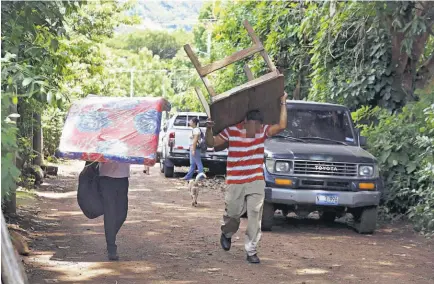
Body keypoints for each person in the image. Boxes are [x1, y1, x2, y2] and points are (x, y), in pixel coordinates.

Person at [205, 92, 288, 264]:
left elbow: (281, 125)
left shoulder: (262, 131)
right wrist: (208, 128)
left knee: (255, 214)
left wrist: (283, 103)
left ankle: (251, 250)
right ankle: (227, 233)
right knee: (233, 214)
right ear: (245, 123)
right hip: (235, 180)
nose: (257, 130)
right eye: (254, 126)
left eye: (259, 126)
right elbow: (211, 143)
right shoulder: (232, 131)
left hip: (255, 179)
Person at [98, 161, 130, 261]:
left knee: (122, 214)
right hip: (106, 178)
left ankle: (110, 235)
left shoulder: (129, 145)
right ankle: (111, 248)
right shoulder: (103, 144)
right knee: (110, 213)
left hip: (123, 178)